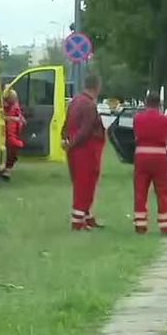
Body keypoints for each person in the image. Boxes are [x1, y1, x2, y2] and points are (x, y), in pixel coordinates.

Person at [62, 75, 107, 231]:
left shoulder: (75, 101)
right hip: (86, 150)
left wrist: (65, 140)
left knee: (80, 183)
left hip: (75, 151)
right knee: (85, 184)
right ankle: (77, 221)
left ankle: (86, 217)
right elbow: (86, 130)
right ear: (97, 87)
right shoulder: (89, 105)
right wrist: (73, 143)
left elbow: (67, 122)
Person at [132, 92, 167, 236]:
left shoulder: (138, 119)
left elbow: (136, 135)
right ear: (160, 104)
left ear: (145, 103)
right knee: (163, 192)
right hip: (159, 157)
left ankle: (140, 225)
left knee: (140, 192)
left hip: (141, 156)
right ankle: (165, 226)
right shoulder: (166, 120)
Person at [1, 89, 26, 180]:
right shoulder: (3, 107)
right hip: (6, 133)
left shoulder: (15, 108)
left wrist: (12, 119)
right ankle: (7, 168)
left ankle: (8, 169)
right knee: (12, 147)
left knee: (13, 147)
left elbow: (21, 120)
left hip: (13, 133)